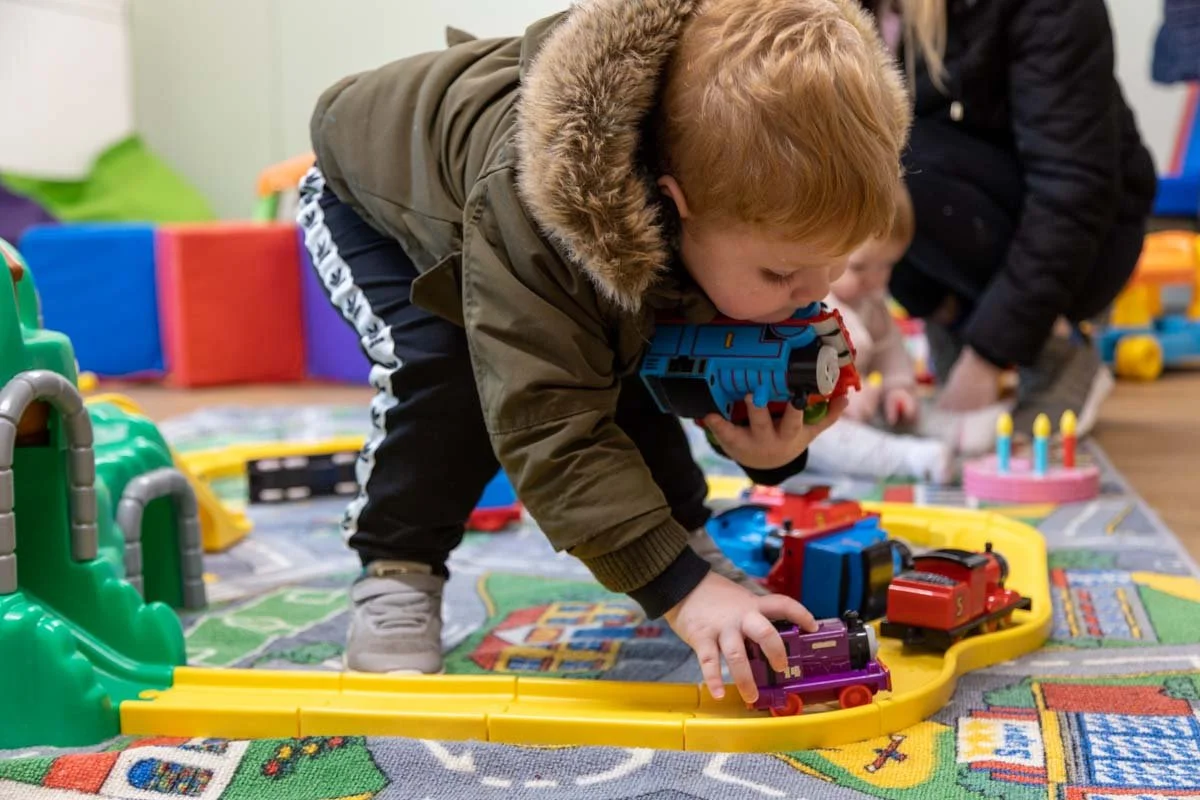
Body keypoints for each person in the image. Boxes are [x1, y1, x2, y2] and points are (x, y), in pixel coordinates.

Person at [299, 0, 911, 705]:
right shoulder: (536, 213)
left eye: (834, 265)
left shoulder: (725, 191)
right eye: (781, 274)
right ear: (674, 205)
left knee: (629, 350)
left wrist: (769, 453)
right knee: (457, 371)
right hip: (373, 206)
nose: (814, 291)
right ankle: (397, 566)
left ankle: (682, 528)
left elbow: (683, 360)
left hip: (575, 229)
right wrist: (679, 590)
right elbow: (547, 417)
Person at [861, 0, 1158, 436]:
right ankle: (963, 328)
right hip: (985, 208)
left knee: (893, 162)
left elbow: (1072, 189)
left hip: (1087, 238)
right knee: (858, 153)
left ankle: (1053, 350)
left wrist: (984, 361)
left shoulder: (1051, 12)